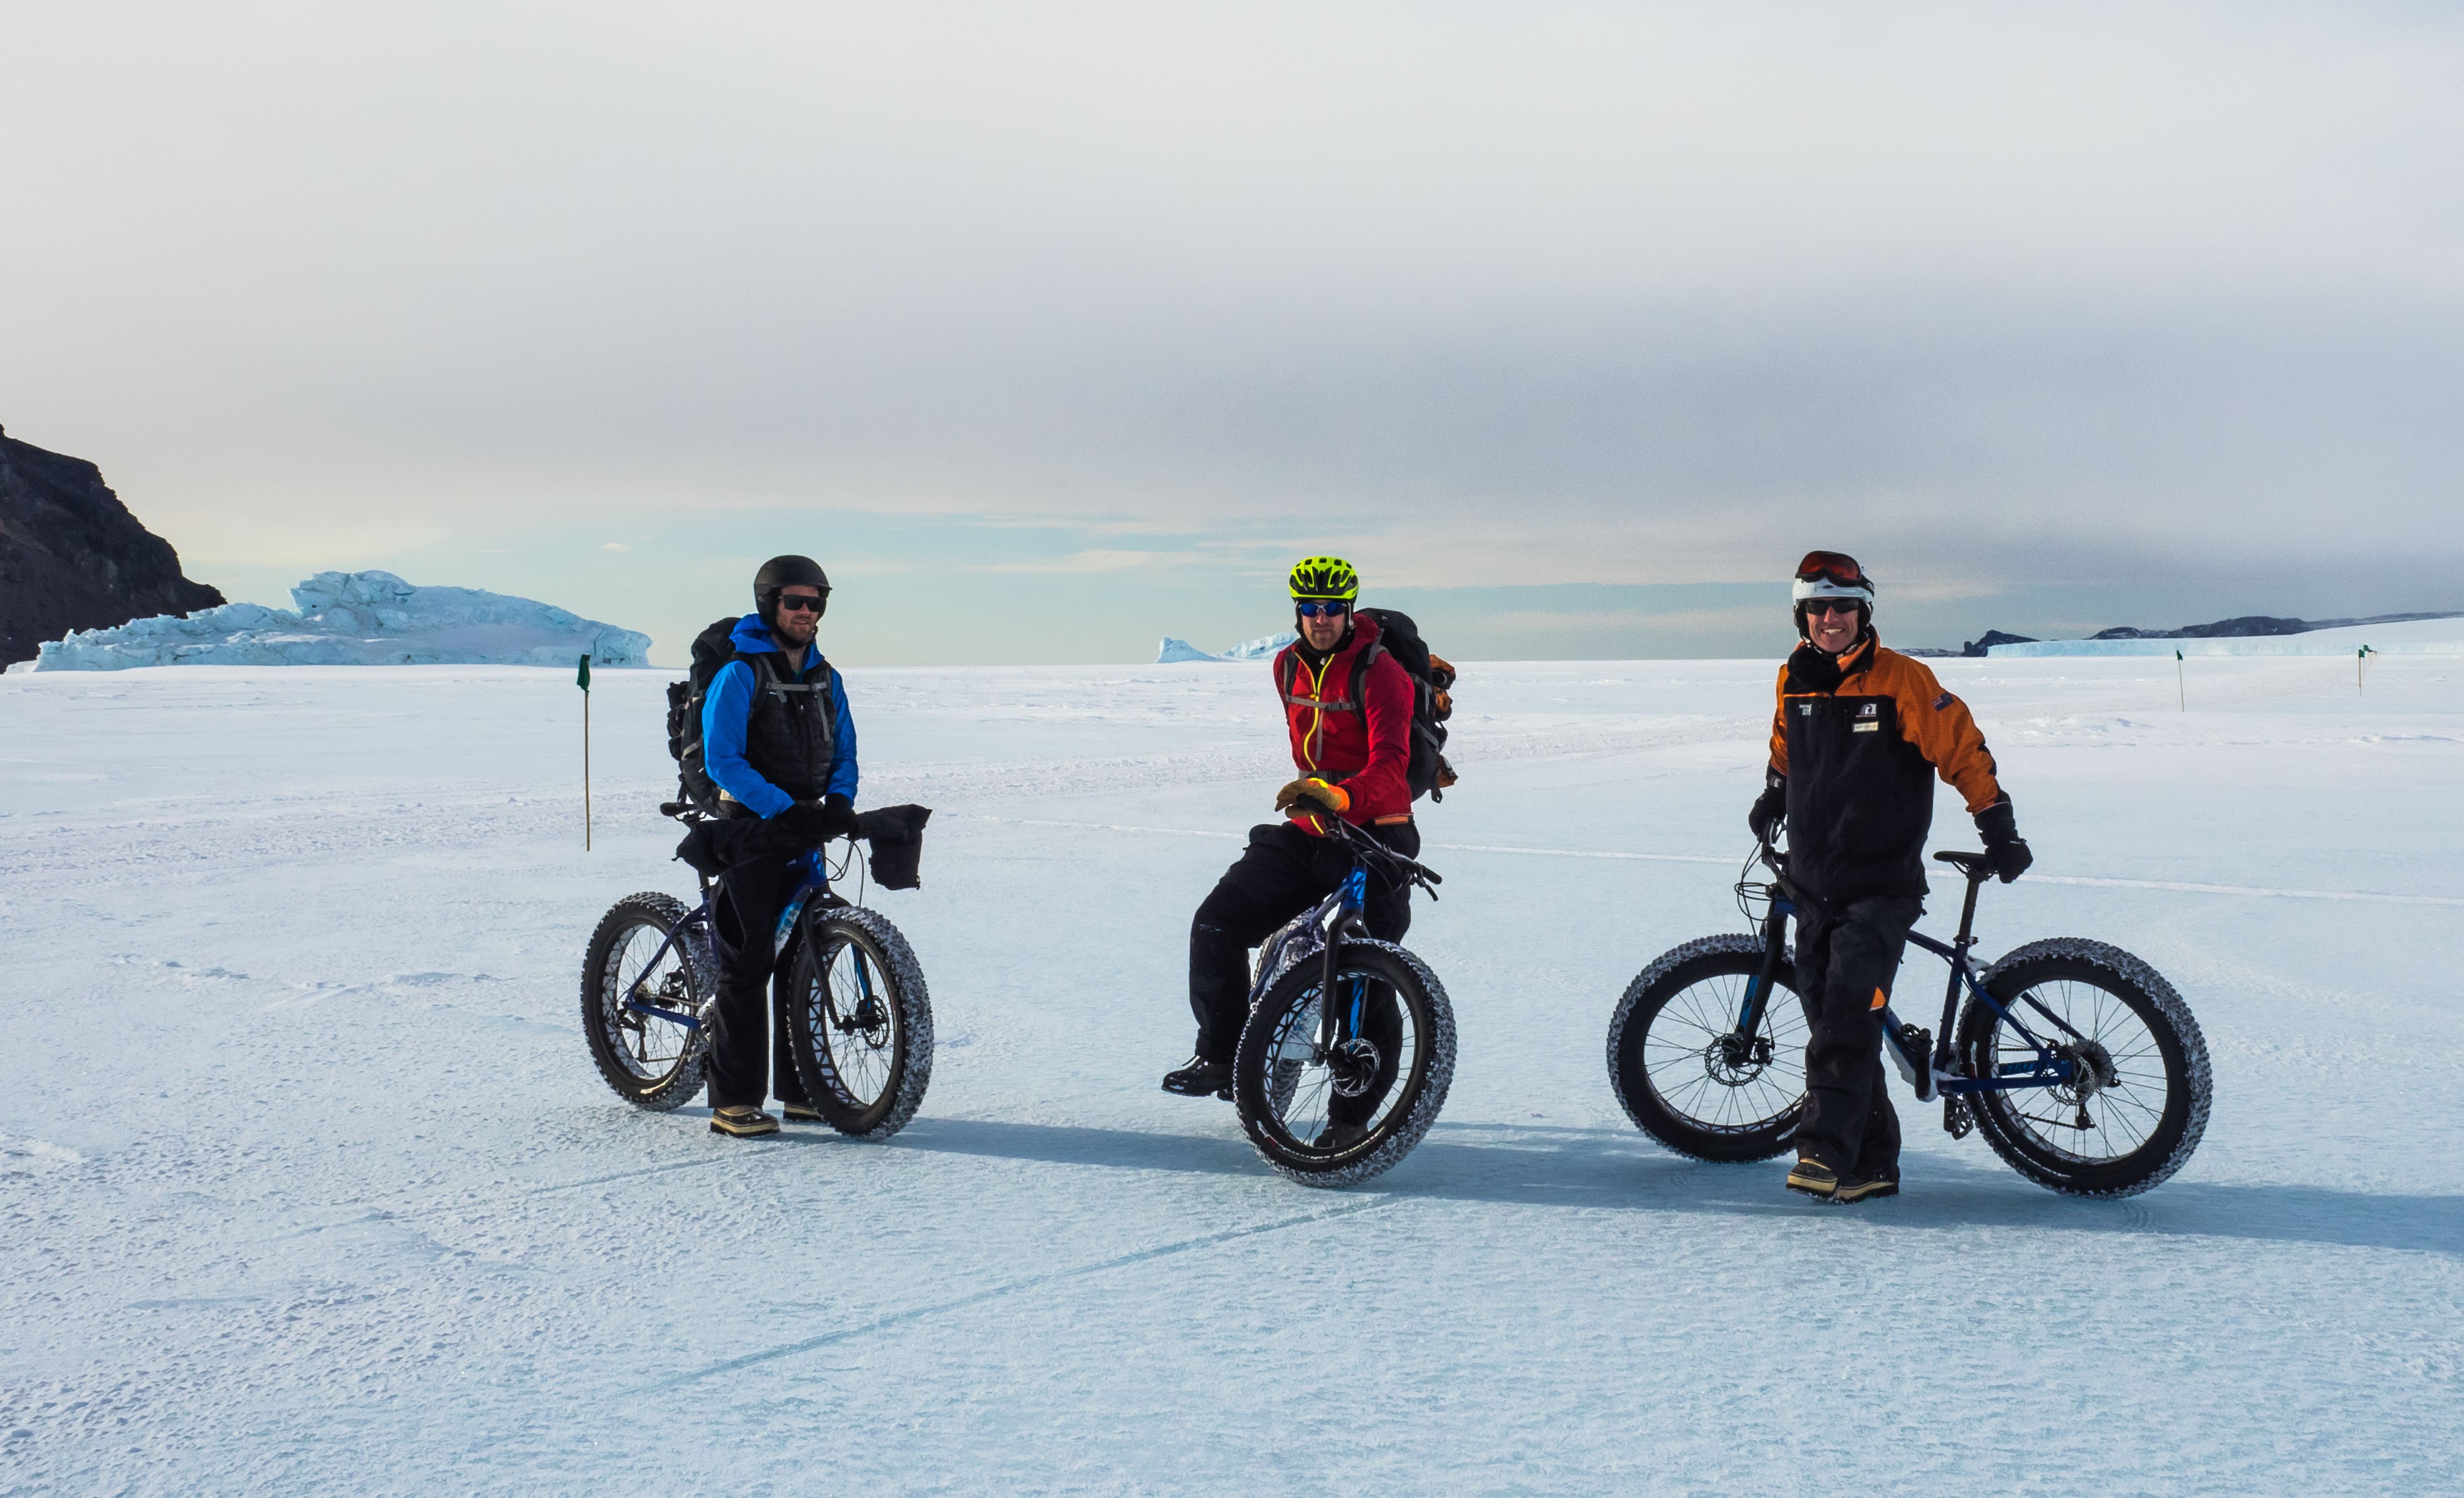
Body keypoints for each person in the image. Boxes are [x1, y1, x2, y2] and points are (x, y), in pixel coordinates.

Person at [1748, 550, 2031, 1202]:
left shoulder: (1901, 679)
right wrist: (1773, 794)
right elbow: (1785, 749)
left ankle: (1821, 1152)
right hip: (1813, 879)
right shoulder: (1794, 679)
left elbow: (1961, 746)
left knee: (1848, 1015)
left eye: (1843, 606)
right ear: (1802, 614)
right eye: (1818, 607)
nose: (1831, 618)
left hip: (1880, 883)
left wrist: (1999, 825)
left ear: (1863, 611)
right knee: (1837, 1024)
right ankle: (1873, 1164)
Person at [1162, 557, 1423, 1148]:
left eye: (1333, 608)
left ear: (1350, 609)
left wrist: (1340, 794)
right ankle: (1223, 1055)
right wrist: (1317, 800)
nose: (1322, 618)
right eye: (1310, 608)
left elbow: (1392, 766)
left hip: (1378, 831)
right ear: (1297, 611)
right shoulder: (1284, 667)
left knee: (1367, 968)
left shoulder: (1383, 675)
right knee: (1217, 924)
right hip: (1311, 829)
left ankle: (1351, 1117)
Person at [698, 555, 861, 1138]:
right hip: (754, 825)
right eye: (795, 601)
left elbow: (845, 749)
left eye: (816, 601)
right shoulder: (740, 673)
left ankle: (802, 1093)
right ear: (770, 603)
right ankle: (735, 1101)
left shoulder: (826, 676)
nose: (807, 612)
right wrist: (782, 807)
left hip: (806, 824)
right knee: (748, 965)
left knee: (803, 959)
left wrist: (839, 800)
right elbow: (723, 760)